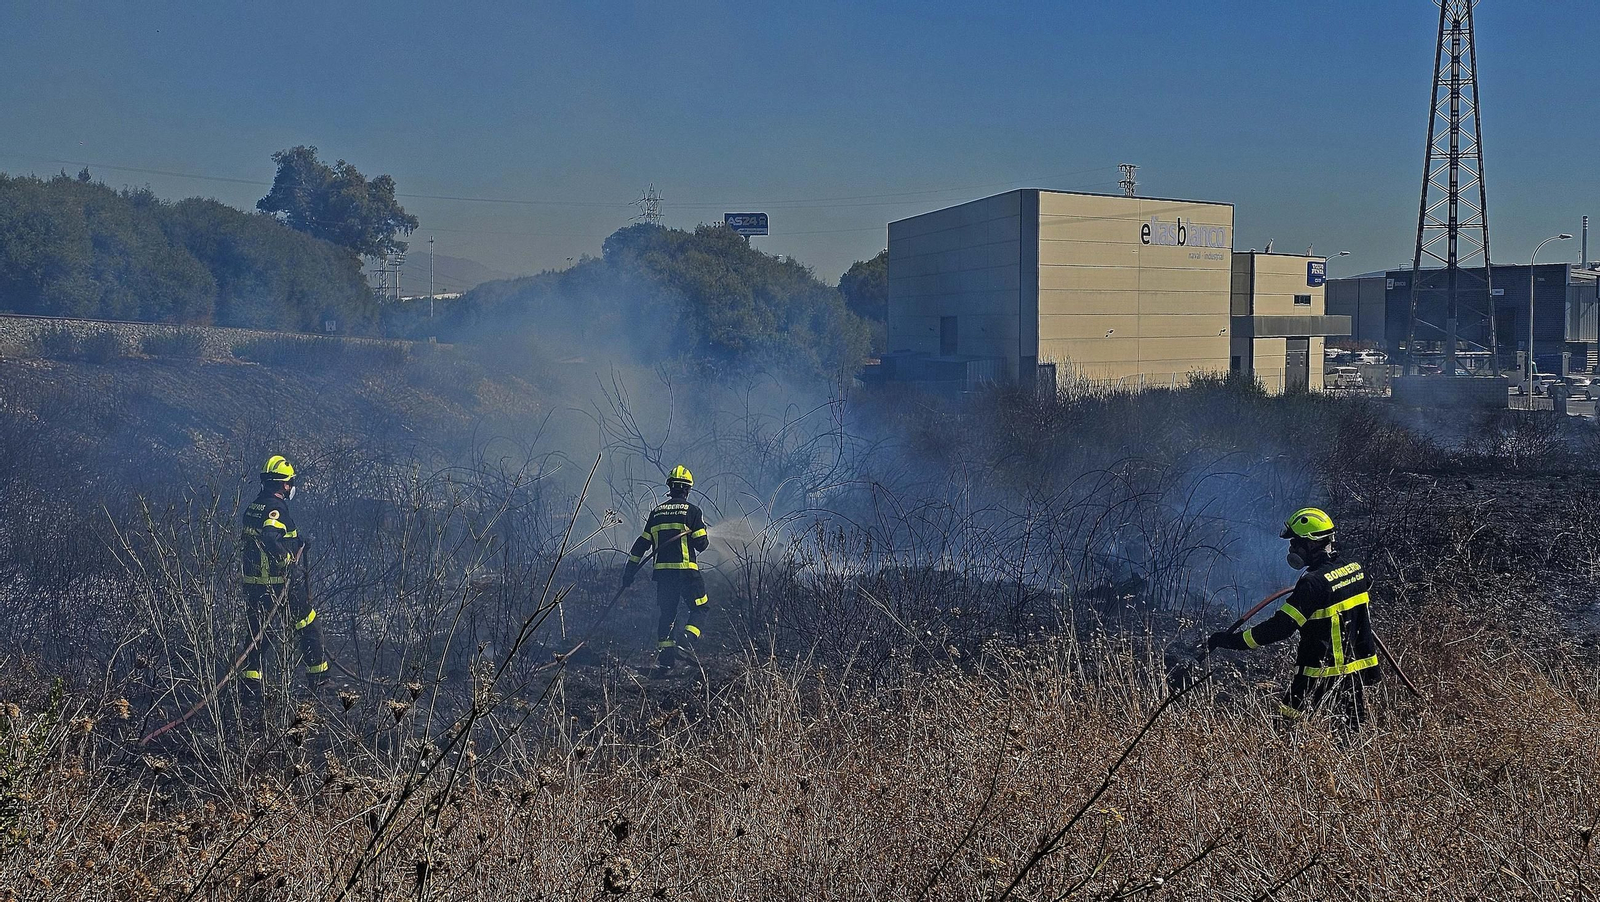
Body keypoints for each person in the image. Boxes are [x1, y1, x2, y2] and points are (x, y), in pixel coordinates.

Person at [1208, 507, 1381, 727]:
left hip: (1320, 673)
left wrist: (1233, 641)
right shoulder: (1356, 569)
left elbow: (1281, 627)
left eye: (1295, 542)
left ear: (1311, 544)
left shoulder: (1313, 583)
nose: (1291, 548)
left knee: (1287, 730)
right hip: (1357, 671)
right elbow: (1364, 586)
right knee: (1350, 731)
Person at [239, 455, 328, 705]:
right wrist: (287, 561)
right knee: (308, 624)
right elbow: (270, 537)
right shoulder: (274, 509)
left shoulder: (254, 507)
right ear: (284, 485)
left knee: (258, 634)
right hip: (278, 584)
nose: (290, 487)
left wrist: (298, 541)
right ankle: (318, 683)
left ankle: (250, 691)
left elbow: (269, 536)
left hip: (255, 584)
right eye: (289, 482)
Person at [622, 466, 710, 671]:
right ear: (688, 489)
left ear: (670, 487)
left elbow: (641, 545)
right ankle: (686, 641)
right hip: (686, 572)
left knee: (667, 614)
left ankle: (666, 660)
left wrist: (629, 572)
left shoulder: (656, 513)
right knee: (700, 607)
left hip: (663, 576)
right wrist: (702, 530)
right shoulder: (693, 512)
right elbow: (701, 544)